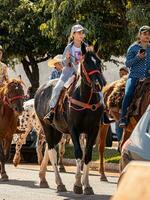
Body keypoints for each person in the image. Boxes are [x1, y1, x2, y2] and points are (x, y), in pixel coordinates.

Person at [44, 24, 87, 123]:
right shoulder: (68, 47)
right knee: (57, 87)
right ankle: (52, 111)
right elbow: (63, 63)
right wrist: (67, 58)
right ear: (73, 34)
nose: (81, 34)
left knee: (97, 85)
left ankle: (103, 112)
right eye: (79, 32)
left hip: (82, 72)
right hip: (68, 72)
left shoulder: (86, 46)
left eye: (82, 33)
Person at [119, 25, 150, 128]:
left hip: (148, 77)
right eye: (145, 34)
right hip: (134, 76)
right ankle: (123, 118)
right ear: (140, 35)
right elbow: (127, 64)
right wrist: (138, 57)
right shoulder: (133, 48)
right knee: (128, 94)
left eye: (149, 34)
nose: (147, 36)